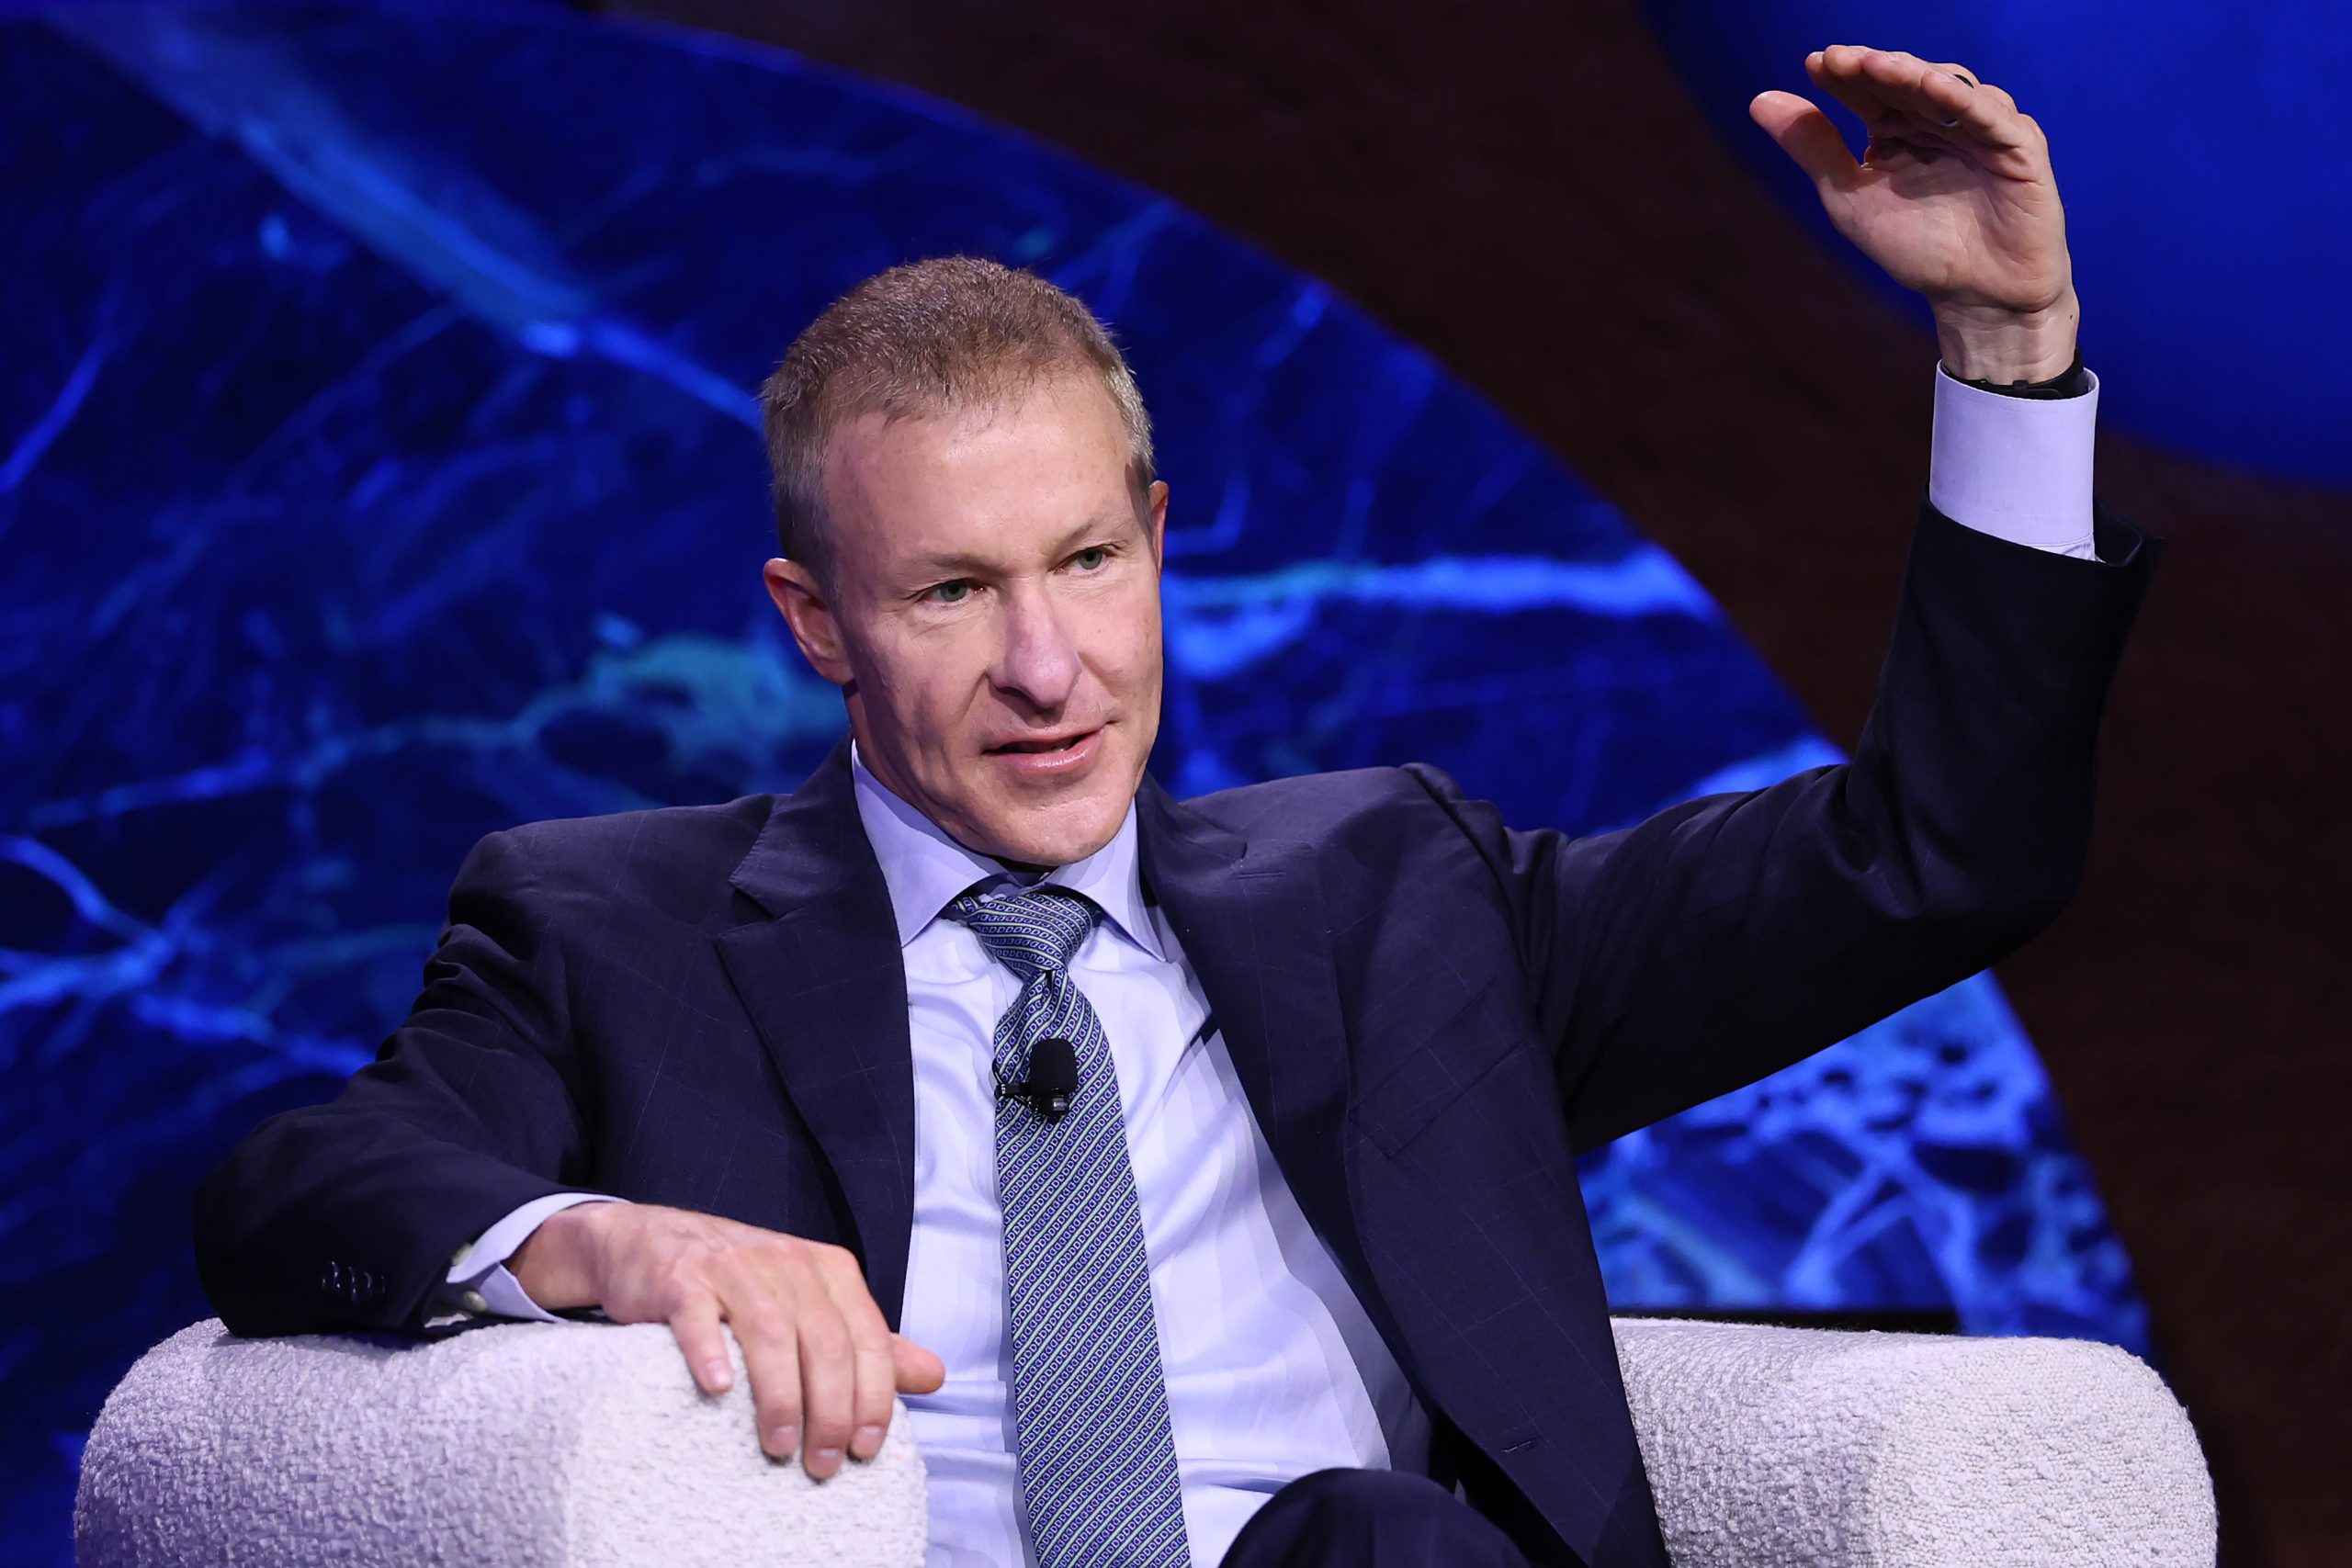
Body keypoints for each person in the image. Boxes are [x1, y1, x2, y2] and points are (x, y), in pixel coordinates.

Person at [193, 42, 2161, 1568]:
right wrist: (610, 1246)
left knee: (1373, 1541)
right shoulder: (615, 929)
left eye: (1085, 565)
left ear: (1157, 538)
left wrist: (2005, 352)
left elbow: (1933, 857)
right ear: (814, 622)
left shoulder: (1400, 897)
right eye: (952, 595)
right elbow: (295, 1190)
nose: (1047, 670)